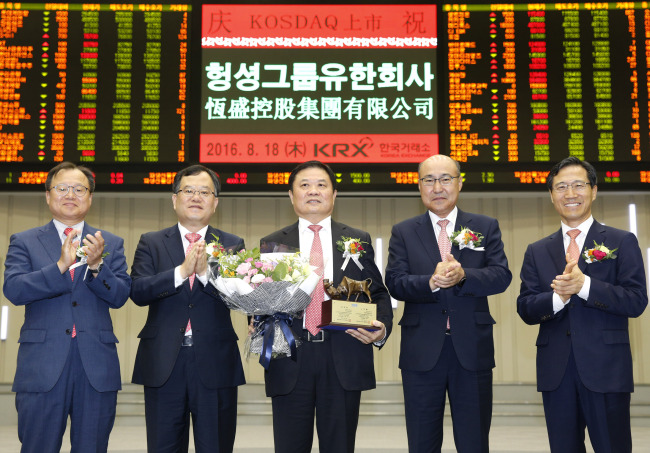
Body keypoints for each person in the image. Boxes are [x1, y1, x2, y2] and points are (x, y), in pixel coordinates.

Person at [259, 160, 393, 453]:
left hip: (342, 354)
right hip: (291, 357)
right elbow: (261, 301)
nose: (313, 191)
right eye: (304, 185)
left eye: (321, 185)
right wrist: (257, 321)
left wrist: (381, 327)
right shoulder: (272, 244)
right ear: (292, 196)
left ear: (334, 195)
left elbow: (378, 294)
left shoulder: (357, 240)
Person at [517, 156, 647, 452]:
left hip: (606, 370)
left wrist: (585, 286)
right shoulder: (537, 250)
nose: (570, 194)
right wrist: (559, 297)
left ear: (593, 190)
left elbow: (636, 300)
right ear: (551, 195)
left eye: (578, 185)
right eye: (561, 187)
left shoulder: (621, 241)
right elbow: (525, 307)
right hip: (556, 373)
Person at [385, 154, 511, 453]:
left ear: (459, 183)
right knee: (422, 441)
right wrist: (431, 281)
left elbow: (501, 276)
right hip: (421, 351)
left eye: (445, 179)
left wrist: (464, 274)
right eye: (428, 180)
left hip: (472, 348)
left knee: (474, 440)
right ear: (419, 186)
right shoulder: (403, 231)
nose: (437, 186)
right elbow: (395, 281)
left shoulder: (484, 225)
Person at [3, 162, 131, 453]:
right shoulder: (24, 241)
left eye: (79, 189)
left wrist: (98, 265)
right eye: (62, 188)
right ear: (48, 196)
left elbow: (121, 295)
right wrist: (61, 265)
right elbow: (14, 289)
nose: (70, 194)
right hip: (42, 366)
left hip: (96, 367)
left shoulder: (109, 242)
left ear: (90, 198)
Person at [130, 164, 245, 453]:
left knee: (216, 445)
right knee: (163, 445)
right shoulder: (151, 242)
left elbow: (241, 299)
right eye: (188, 191)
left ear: (215, 202)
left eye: (204, 192)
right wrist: (181, 272)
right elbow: (138, 291)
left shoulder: (232, 244)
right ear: (174, 199)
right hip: (163, 361)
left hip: (216, 361)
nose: (196, 197)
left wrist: (207, 275)